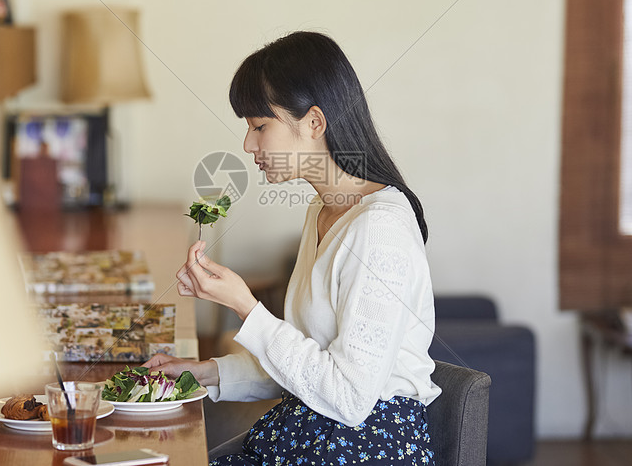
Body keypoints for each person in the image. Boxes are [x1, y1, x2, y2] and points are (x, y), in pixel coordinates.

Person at [145, 31, 440, 465]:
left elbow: (349, 397)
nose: (249, 145)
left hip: (366, 446)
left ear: (314, 122)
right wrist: (203, 372)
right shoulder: (323, 210)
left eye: (260, 127)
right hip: (312, 430)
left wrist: (247, 308)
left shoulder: (380, 229)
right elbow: (305, 361)